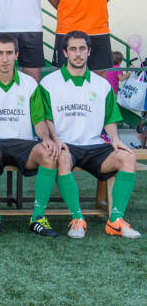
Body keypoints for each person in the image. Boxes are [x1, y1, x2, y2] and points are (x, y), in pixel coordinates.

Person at [40, 31, 141, 239]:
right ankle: (78, 219)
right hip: (66, 146)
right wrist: (54, 139)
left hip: (95, 146)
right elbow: (46, 117)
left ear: (89, 52)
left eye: (82, 49)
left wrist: (115, 140)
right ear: (65, 52)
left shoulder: (101, 85)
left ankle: (115, 221)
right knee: (63, 158)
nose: (78, 54)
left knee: (128, 158)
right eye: (73, 49)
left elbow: (110, 119)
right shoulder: (48, 83)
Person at [0, 33, 62, 238]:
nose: (4, 59)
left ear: (16, 54)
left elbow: (38, 120)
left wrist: (46, 139)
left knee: (48, 154)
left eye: (9, 53)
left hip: (24, 143)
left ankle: (38, 218)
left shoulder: (30, 83)